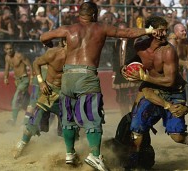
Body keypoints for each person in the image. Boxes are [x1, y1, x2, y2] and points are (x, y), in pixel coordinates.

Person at [39, 2, 156, 171]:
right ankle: (95, 156)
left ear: (79, 14)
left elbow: (43, 37)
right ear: (94, 14)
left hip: (68, 76)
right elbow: (128, 33)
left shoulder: (67, 29)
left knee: (68, 119)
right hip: (86, 77)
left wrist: (49, 44)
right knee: (93, 119)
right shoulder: (100, 28)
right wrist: (149, 30)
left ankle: (70, 154)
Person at [122, 16, 188, 170]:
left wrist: (144, 77)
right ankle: (132, 162)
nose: (163, 34)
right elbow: (134, 55)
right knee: (136, 127)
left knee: (177, 136)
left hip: (174, 93)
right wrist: (127, 68)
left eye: (165, 30)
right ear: (150, 31)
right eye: (160, 31)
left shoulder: (168, 51)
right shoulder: (140, 46)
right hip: (153, 91)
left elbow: (169, 81)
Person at [13, 39, 66, 159]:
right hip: (49, 93)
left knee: (67, 128)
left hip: (65, 96)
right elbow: (36, 63)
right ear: (64, 43)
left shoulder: (76, 56)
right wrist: (41, 82)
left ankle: (66, 153)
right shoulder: (53, 53)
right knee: (34, 120)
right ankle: (22, 143)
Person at [112, 22, 139, 116]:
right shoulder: (117, 43)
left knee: (134, 96)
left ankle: (135, 115)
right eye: (120, 30)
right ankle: (124, 116)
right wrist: (114, 72)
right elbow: (114, 58)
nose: (122, 33)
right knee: (122, 97)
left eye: (124, 30)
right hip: (120, 74)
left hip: (132, 73)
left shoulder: (134, 41)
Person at [3, 43, 32, 126]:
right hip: (17, 81)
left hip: (24, 80)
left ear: (13, 48)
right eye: (7, 49)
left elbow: (30, 65)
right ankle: (31, 117)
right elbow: (7, 68)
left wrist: (32, 77)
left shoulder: (19, 56)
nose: (9, 50)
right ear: (5, 50)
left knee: (16, 99)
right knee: (26, 103)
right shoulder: (7, 58)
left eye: (10, 48)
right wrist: (5, 77)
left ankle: (13, 120)